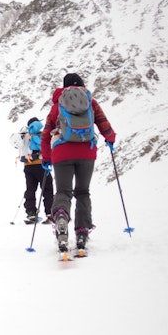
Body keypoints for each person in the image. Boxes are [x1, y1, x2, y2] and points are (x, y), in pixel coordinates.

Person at [40, 73, 117, 255]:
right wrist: (110, 139)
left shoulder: (57, 106)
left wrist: (46, 158)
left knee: (63, 192)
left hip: (62, 153)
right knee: (83, 192)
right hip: (86, 153)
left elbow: (46, 133)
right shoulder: (91, 102)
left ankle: (61, 216)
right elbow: (103, 124)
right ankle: (82, 233)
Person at [18, 117, 54, 224]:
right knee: (47, 189)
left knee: (30, 189)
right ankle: (50, 212)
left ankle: (31, 213)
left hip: (28, 165)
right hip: (41, 165)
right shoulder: (41, 135)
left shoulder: (24, 136)